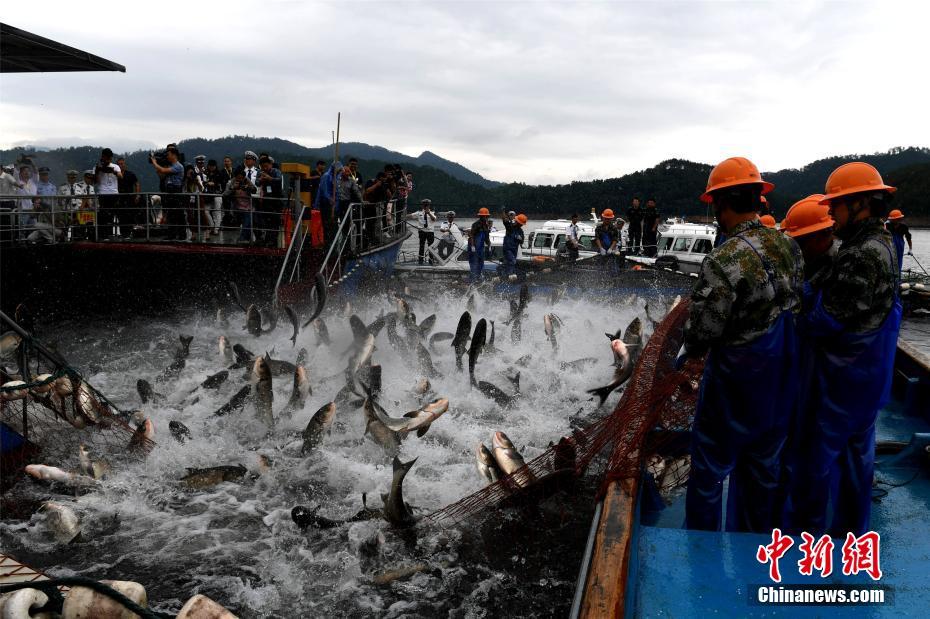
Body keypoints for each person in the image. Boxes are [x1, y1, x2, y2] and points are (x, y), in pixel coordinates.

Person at [683, 156, 803, 533]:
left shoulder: (722, 260)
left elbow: (703, 331)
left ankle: (702, 552)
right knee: (764, 467)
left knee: (709, 470)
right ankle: (755, 546)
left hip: (737, 380)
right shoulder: (788, 245)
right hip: (783, 374)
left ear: (723, 202)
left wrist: (688, 352)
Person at [789, 162, 900, 537]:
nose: (831, 214)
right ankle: (850, 536)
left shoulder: (863, 253)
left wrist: (794, 317)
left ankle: (807, 541)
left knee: (815, 462)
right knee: (856, 459)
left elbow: (825, 322)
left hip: (844, 379)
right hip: (867, 377)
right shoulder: (875, 243)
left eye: (836, 206)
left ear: (861, 204)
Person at [150, 145, 185, 240]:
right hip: (169, 190)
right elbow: (162, 175)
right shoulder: (171, 166)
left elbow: (162, 170)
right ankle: (172, 234)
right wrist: (157, 167)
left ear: (174, 155)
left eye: (168, 154)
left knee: (178, 213)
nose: (167, 156)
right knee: (171, 214)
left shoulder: (178, 166)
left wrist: (154, 162)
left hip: (176, 191)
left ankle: (182, 235)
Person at [224, 167, 257, 243]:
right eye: (238, 178)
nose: (240, 180)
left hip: (248, 207)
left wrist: (248, 187)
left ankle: (242, 239)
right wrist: (233, 188)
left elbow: (254, 190)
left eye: (242, 178)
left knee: (247, 222)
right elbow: (225, 194)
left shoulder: (247, 180)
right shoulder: (231, 182)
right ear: (235, 177)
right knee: (247, 223)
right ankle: (245, 239)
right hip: (237, 207)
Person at [95, 148, 122, 238]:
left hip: (113, 193)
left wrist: (113, 171)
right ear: (102, 157)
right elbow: (96, 181)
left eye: (108, 158)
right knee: (103, 214)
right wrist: (98, 171)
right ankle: (103, 234)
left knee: (111, 214)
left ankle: (110, 233)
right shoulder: (97, 167)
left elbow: (121, 177)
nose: (107, 160)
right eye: (105, 158)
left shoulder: (115, 166)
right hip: (102, 193)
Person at [256, 156, 283, 246]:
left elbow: (279, 181)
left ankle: (273, 240)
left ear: (271, 164)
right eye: (263, 166)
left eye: (266, 166)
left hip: (276, 200)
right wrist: (260, 179)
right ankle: (267, 239)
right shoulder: (260, 172)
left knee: (275, 221)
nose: (265, 168)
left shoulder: (276, 171)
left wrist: (270, 178)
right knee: (266, 221)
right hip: (266, 200)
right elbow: (256, 183)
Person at [115, 157, 141, 233]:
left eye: (122, 164)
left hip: (129, 198)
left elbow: (137, 184)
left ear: (125, 165)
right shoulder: (115, 175)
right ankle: (123, 233)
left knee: (130, 216)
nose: (120, 165)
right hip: (119, 199)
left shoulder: (130, 174)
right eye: (119, 164)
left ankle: (130, 233)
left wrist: (138, 195)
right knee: (121, 217)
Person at [468, 207, 492, 282]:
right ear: (480, 216)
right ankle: (472, 281)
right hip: (474, 248)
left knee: (481, 265)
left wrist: (489, 245)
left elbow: (487, 238)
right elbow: (471, 235)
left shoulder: (486, 226)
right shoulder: (476, 224)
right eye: (483, 216)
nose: (484, 217)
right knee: (474, 265)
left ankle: (478, 279)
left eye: (486, 216)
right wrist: (472, 246)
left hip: (481, 248)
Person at [501, 210, 526, 276]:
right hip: (507, 249)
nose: (521, 225)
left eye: (522, 224)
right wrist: (503, 212)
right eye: (521, 224)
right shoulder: (510, 227)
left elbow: (522, 241)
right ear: (518, 222)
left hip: (514, 250)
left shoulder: (520, 231)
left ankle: (506, 276)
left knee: (509, 263)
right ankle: (509, 275)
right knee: (512, 262)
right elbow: (505, 221)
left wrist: (520, 238)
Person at [414, 199, 437, 264]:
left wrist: (429, 213)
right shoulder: (419, 213)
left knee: (431, 247)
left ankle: (431, 260)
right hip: (422, 231)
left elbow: (434, 219)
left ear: (429, 205)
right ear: (422, 206)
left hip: (430, 232)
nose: (425, 206)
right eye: (424, 205)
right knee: (421, 246)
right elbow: (411, 215)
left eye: (427, 205)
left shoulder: (432, 212)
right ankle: (420, 260)